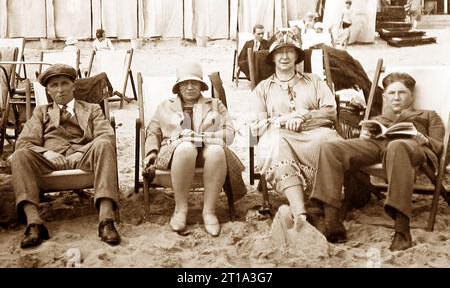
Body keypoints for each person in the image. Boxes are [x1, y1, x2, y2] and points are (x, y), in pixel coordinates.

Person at [310, 72, 444, 251]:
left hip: (411, 148)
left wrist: (424, 139)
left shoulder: (428, 115)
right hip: (377, 146)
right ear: (384, 96)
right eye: (391, 93)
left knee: (397, 146)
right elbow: (366, 143)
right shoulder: (377, 120)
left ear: (411, 95)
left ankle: (402, 229)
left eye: (402, 93)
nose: (396, 97)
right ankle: (332, 219)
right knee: (329, 148)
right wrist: (364, 135)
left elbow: (439, 146)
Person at [11, 64, 121, 248]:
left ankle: (106, 221)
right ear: (48, 90)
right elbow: (23, 142)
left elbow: (106, 135)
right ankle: (34, 223)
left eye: (64, 83)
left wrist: (81, 151)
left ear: (73, 86)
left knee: (104, 144)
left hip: (84, 157)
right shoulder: (41, 112)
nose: (60, 90)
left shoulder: (92, 108)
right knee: (20, 155)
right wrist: (47, 152)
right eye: (54, 85)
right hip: (50, 161)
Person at [251, 30, 340, 230]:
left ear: (296, 56)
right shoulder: (263, 89)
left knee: (330, 143)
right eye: (279, 52)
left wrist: (304, 115)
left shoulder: (314, 81)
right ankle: (300, 212)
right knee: (274, 145)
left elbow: (331, 111)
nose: (284, 56)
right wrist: (285, 119)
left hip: (316, 134)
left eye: (290, 51)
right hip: (281, 136)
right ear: (272, 57)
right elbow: (257, 125)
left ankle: (326, 206)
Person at [143, 61, 244, 237]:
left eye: (194, 82)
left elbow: (229, 133)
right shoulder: (165, 106)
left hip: (207, 150)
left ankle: (209, 211)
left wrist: (204, 138)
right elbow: (153, 132)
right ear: (178, 86)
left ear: (201, 85)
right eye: (185, 83)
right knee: (186, 148)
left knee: (217, 151)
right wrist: (151, 153)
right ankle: (180, 209)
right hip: (175, 153)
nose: (190, 87)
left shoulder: (215, 104)